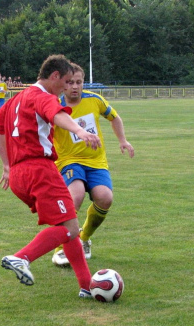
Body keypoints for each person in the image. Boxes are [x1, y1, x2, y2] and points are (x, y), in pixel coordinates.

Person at [0, 54, 102, 299]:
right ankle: (21, 258)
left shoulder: (17, 99)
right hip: (40, 170)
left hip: (19, 175)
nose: (65, 89)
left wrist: (6, 166)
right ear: (54, 76)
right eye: (64, 83)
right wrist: (80, 130)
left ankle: (86, 285)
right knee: (71, 228)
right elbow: (57, 115)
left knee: (67, 223)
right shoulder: (42, 96)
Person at [50, 63, 135, 266]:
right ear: (62, 83)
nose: (74, 87)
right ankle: (61, 247)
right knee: (75, 195)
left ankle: (84, 239)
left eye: (78, 82)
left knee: (105, 198)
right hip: (68, 161)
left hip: (96, 161)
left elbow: (114, 118)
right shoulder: (55, 104)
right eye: (69, 82)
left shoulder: (94, 100)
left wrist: (123, 140)